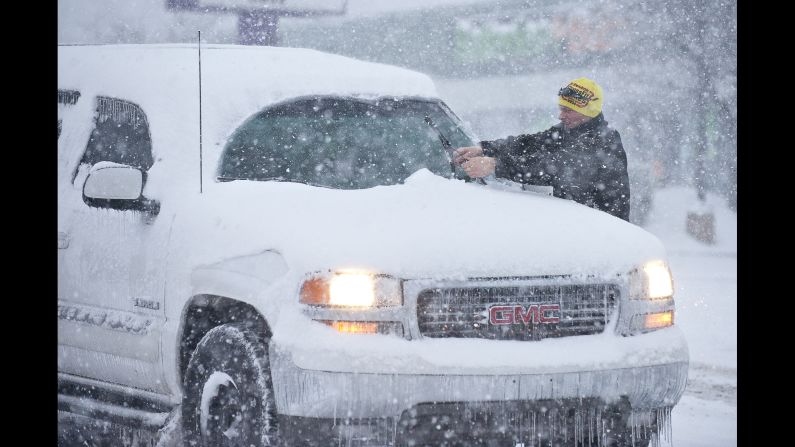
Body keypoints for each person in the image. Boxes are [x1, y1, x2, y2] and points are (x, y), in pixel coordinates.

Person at [453, 78, 631, 221]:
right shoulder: (568, 130)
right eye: (561, 108)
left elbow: (551, 167)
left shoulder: (602, 141)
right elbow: (529, 143)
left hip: (604, 230)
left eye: (568, 110)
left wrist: (495, 165)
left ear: (588, 111)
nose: (561, 115)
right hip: (579, 223)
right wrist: (485, 149)